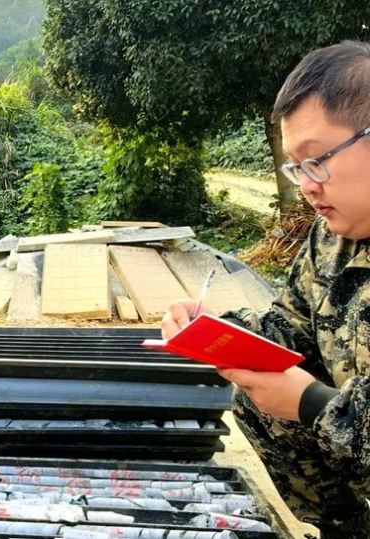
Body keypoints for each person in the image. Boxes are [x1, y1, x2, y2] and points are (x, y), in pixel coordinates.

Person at [162, 41, 370, 537]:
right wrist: (213, 331)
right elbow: (290, 326)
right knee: (254, 390)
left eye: (316, 160)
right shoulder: (333, 237)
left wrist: (309, 402)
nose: (306, 186)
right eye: (295, 167)